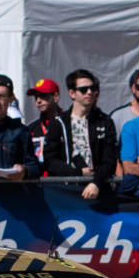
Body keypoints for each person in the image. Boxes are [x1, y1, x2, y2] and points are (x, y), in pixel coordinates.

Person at [41, 69, 118, 199]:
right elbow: (50, 161)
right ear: (72, 93)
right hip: (66, 191)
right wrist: (78, 172)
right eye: (83, 89)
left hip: (98, 189)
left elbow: (110, 160)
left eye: (92, 89)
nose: (89, 92)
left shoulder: (105, 121)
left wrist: (96, 182)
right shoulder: (58, 122)